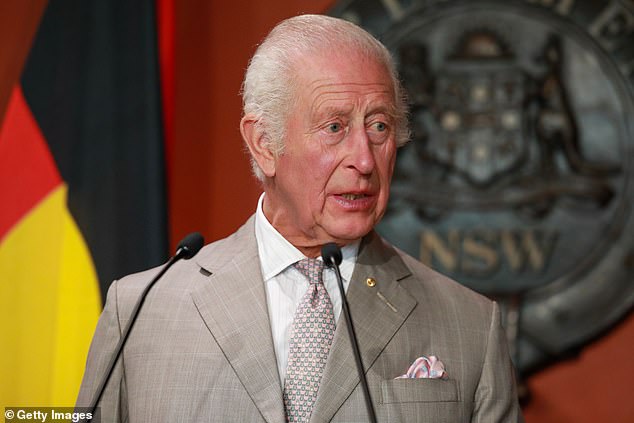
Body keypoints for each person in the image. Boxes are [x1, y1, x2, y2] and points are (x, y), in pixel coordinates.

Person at [77, 14, 523, 422]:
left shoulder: (469, 325)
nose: (365, 160)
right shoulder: (141, 310)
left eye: (379, 126)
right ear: (264, 143)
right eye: (335, 128)